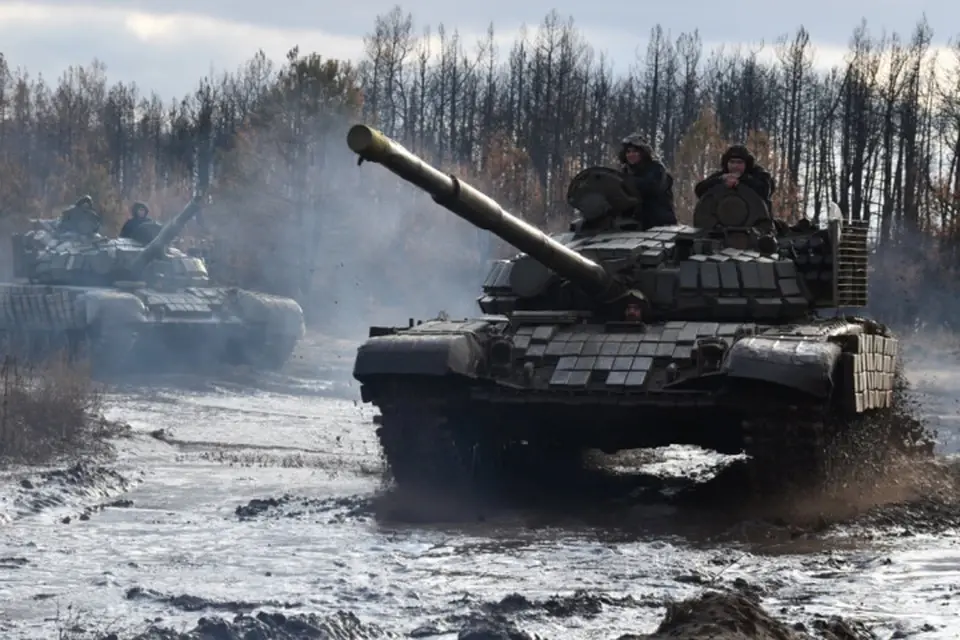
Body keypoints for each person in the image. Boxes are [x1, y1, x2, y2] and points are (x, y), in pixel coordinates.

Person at [618, 134, 677, 229]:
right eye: (628, 152)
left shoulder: (656, 170)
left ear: (642, 152)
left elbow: (650, 187)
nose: (631, 155)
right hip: (634, 225)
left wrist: (627, 182)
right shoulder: (624, 173)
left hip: (660, 224)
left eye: (635, 151)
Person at [694, 145, 776, 211]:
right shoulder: (722, 176)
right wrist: (720, 180)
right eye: (732, 162)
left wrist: (742, 179)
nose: (735, 166)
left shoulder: (758, 174)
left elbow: (765, 190)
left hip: (756, 220)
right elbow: (700, 190)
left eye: (739, 162)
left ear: (747, 164)